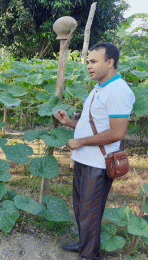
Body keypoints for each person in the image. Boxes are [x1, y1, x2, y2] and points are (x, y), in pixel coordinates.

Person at [55, 41, 135, 260]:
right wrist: (69, 122)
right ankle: (85, 245)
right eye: (88, 62)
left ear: (109, 62)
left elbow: (117, 133)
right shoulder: (100, 87)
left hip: (99, 163)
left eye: (93, 61)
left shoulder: (119, 91)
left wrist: (80, 142)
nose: (88, 66)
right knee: (82, 208)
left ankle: (89, 255)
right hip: (86, 159)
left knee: (90, 211)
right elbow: (95, 124)